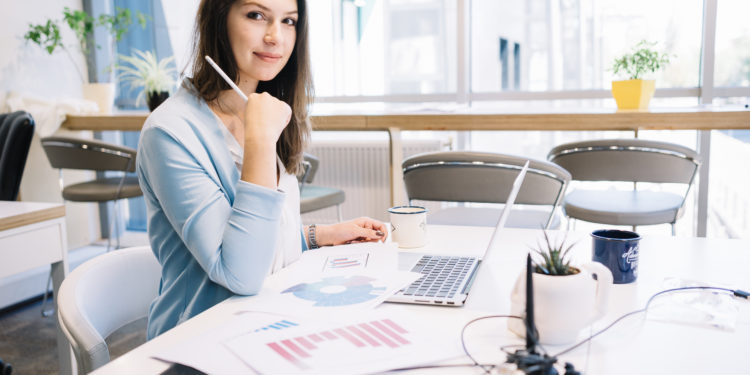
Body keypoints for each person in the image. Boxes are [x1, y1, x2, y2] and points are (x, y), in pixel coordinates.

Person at [136, 0, 387, 339]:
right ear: (218, 19)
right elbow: (241, 272)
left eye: (288, 21)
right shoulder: (170, 132)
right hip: (199, 340)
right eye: (256, 15)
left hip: (270, 322)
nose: (275, 37)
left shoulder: (260, 105)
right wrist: (260, 141)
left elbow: (256, 236)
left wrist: (319, 235)